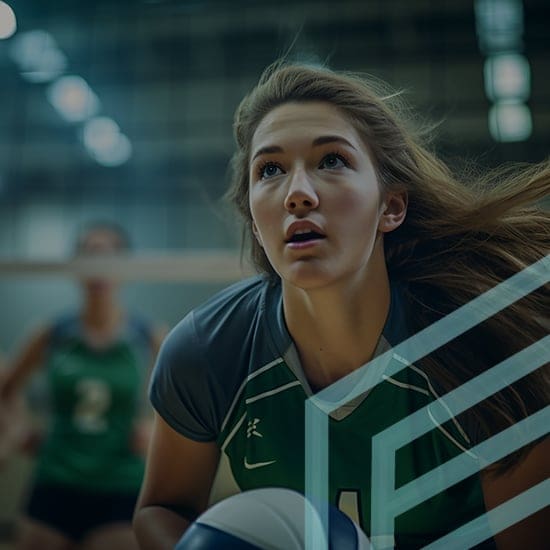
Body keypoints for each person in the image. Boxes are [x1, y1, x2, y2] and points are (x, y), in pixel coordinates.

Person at [133, 62, 549, 549]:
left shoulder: (485, 343)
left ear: (391, 206)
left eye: (331, 160)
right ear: (252, 214)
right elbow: (161, 509)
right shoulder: (208, 350)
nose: (298, 195)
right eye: (270, 170)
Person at [0, 221, 165, 550]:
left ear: (125, 267)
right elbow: (6, 391)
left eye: (109, 255)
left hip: (119, 484)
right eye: (90, 254)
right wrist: (16, 431)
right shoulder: (52, 333)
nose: (99, 265)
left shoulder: (148, 336)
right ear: (76, 266)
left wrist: (157, 431)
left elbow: (194, 401)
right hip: (55, 480)